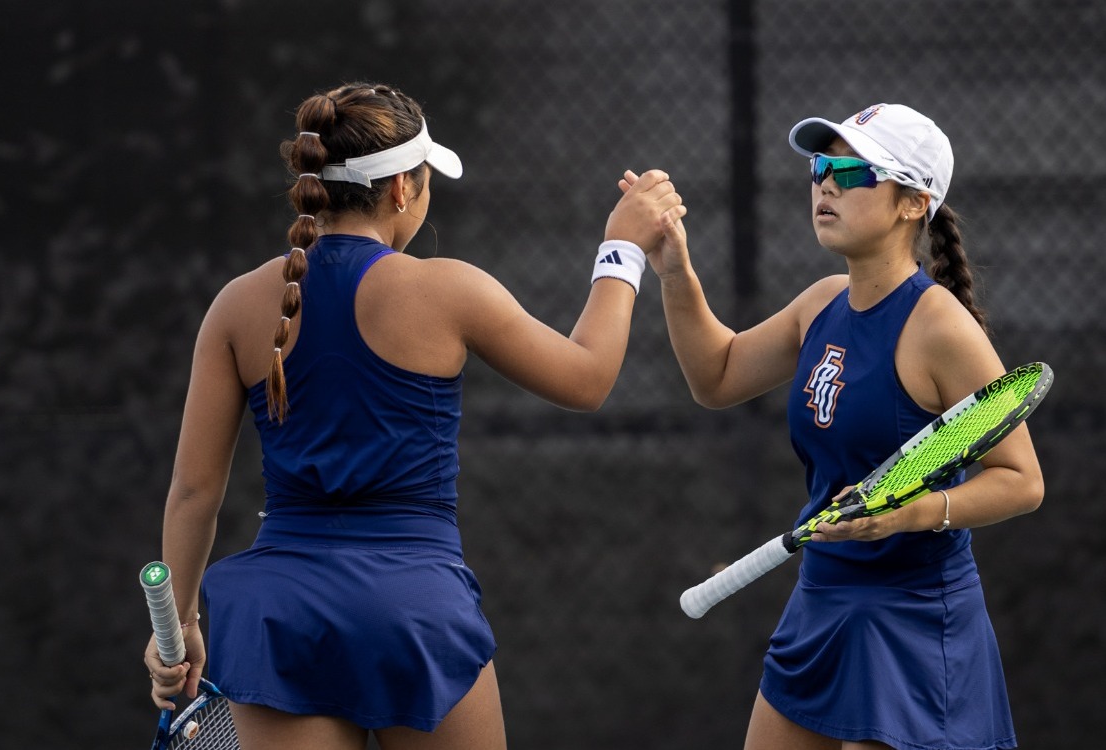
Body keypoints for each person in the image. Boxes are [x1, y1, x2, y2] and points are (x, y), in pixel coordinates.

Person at [143, 81, 685, 750]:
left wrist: (179, 622)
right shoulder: (447, 289)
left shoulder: (235, 304)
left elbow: (194, 491)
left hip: (277, 616)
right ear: (403, 188)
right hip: (411, 609)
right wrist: (621, 249)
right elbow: (588, 378)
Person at [633, 103, 1044, 749]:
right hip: (821, 598)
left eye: (852, 172)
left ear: (913, 203)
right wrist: (674, 272)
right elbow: (715, 377)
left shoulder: (939, 327)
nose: (824, 183)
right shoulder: (820, 302)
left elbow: (1020, 482)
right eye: (819, 166)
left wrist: (903, 515)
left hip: (911, 616)